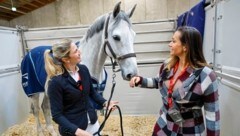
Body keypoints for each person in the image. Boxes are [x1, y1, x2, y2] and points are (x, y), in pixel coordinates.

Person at [129, 26, 220, 136]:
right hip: (163, 126)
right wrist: (140, 80)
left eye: (173, 41)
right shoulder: (168, 65)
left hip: (189, 131)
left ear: (185, 47)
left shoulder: (207, 76)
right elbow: (157, 81)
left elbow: (212, 116)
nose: (169, 44)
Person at [44, 39, 118, 136]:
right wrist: (78, 131)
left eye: (77, 49)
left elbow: (92, 93)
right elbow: (57, 115)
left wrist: (104, 103)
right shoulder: (55, 82)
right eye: (75, 51)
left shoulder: (83, 69)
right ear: (66, 59)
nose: (80, 52)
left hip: (92, 122)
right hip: (73, 130)